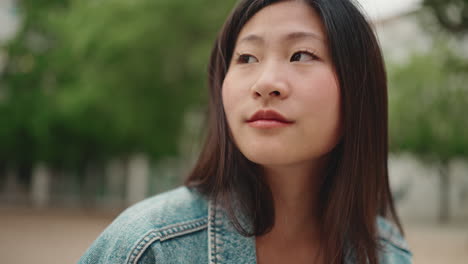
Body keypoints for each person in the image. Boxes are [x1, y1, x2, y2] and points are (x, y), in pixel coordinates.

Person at [79, 0, 413, 263]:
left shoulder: (387, 254)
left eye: (301, 55)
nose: (265, 83)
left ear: (359, 89)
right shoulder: (150, 246)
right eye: (247, 58)